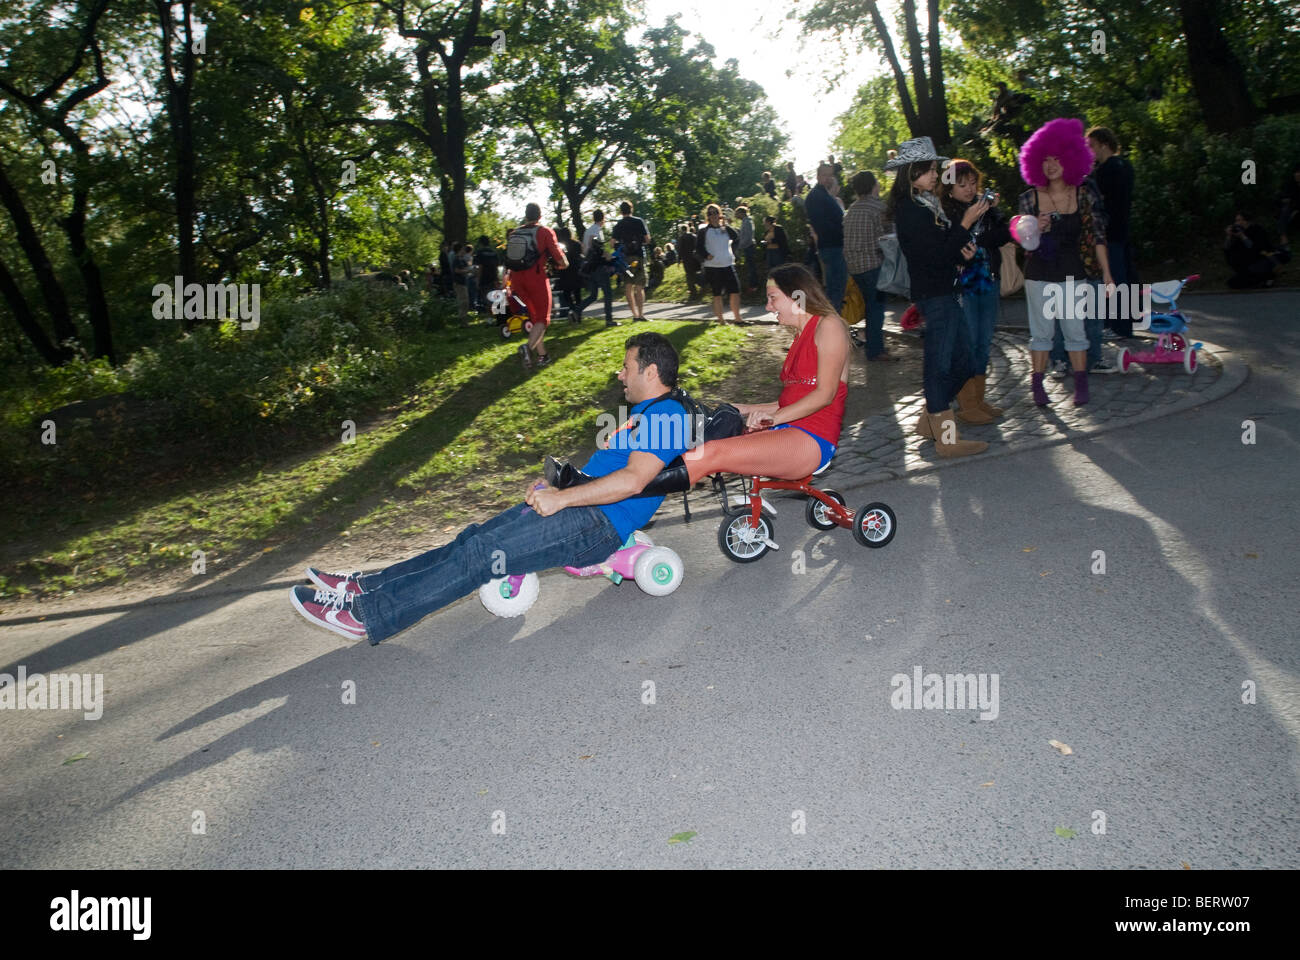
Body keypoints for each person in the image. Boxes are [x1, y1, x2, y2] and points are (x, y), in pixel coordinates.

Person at [290, 334, 692, 645]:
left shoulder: (668, 413)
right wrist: (560, 485)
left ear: (650, 372)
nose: (619, 374)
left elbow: (634, 481)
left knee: (483, 556)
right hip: (583, 508)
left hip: (597, 524)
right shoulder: (645, 413)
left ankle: (368, 615)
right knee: (474, 540)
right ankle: (367, 586)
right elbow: (612, 472)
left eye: (626, 367)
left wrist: (562, 498)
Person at [547, 265, 851, 497]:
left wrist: (773, 417)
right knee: (701, 431)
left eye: (773, 299)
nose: (769, 307)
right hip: (791, 428)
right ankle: (598, 480)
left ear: (797, 293)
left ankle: (608, 490)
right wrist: (739, 407)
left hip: (813, 440)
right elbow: (790, 401)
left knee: (711, 453)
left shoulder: (830, 326)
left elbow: (825, 395)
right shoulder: (800, 336)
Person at [887, 136, 990, 457]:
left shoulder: (925, 205)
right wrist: (965, 223)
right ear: (911, 173)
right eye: (929, 169)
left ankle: (931, 417)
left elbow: (944, 251)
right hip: (935, 296)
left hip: (947, 292)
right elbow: (934, 256)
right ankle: (946, 438)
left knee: (964, 363)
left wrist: (964, 250)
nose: (936, 174)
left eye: (935, 168)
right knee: (939, 366)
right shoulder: (910, 211)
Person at [1016, 118, 1114, 407]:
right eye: (1045, 159)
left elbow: (1098, 236)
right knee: (1042, 333)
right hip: (1038, 273)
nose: (1050, 164)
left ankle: (1081, 384)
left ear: (1071, 159)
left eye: (1057, 158)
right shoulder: (1028, 199)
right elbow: (1022, 242)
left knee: (1075, 330)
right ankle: (1037, 385)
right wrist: (1035, 227)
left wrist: (1107, 274)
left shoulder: (1083, 195)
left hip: (1073, 272)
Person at [939, 158, 1013, 422]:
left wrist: (992, 211)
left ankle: (978, 401)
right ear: (949, 188)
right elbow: (950, 247)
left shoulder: (983, 208)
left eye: (973, 183)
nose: (970, 189)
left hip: (988, 280)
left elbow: (1004, 235)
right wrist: (972, 229)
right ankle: (966, 404)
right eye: (962, 184)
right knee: (968, 345)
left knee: (983, 343)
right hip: (963, 287)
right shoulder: (945, 213)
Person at [1086, 127, 1136, 340]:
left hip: (1108, 233)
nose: (1090, 151)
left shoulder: (1106, 170)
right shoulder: (1125, 165)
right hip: (1123, 230)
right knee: (1124, 278)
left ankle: (1118, 328)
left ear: (1103, 144)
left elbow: (1100, 202)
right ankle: (1121, 325)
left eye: (1092, 146)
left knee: (1113, 280)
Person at [507, 203, 568, 368]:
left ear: (526, 216)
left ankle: (543, 355)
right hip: (536, 279)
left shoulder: (514, 234)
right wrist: (562, 264)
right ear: (540, 216)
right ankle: (528, 348)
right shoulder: (544, 232)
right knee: (542, 318)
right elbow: (560, 259)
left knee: (535, 319)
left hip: (517, 281)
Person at [843, 170, 895, 361]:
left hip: (854, 266)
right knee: (876, 308)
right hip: (873, 264)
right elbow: (889, 237)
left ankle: (871, 344)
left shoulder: (851, 210)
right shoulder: (879, 208)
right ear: (874, 185)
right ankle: (875, 350)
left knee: (869, 307)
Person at [806, 162, 848, 311]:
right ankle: (832, 325)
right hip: (833, 246)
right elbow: (826, 224)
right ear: (818, 176)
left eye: (831, 175)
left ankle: (833, 323)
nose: (829, 179)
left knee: (836, 289)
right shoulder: (817, 196)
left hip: (832, 245)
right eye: (825, 175)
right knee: (835, 289)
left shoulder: (823, 195)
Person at [697, 204, 743, 325]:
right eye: (710, 213)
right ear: (707, 216)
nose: (713, 216)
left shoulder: (726, 229)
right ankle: (721, 320)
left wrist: (733, 252)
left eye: (715, 212)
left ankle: (738, 319)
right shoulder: (704, 231)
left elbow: (737, 238)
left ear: (720, 214)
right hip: (713, 267)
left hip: (728, 264)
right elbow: (698, 248)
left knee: (735, 291)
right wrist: (707, 255)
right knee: (717, 294)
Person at [611, 201, 651, 322]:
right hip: (638, 256)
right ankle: (641, 314)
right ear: (631, 209)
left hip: (625, 258)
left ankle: (634, 315)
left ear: (621, 211)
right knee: (639, 286)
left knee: (628, 286)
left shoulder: (618, 225)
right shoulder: (639, 221)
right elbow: (647, 239)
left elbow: (612, 243)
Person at [1224, 211, 1287, 288]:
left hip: (1260, 260)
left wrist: (1242, 236)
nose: (1236, 223)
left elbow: (1256, 248)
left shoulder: (1257, 230)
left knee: (1252, 274)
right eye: (1236, 221)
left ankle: (1267, 278)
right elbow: (1227, 248)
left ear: (1247, 221)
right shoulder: (1237, 232)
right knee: (1232, 283)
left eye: (1239, 220)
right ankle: (1262, 281)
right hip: (1245, 265)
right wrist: (1229, 236)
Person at [554, 227, 584, 322]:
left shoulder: (559, 246)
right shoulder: (576, 244)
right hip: (576, 272)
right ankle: (579, 314)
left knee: (567, 295)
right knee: (577, 294)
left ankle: (573, 309)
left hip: (564, 273)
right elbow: (581, 254)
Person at [735, 205, 759, 292]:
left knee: (751, 267)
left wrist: (740, 246)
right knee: (750, 266)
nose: (736, 216)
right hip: (747, 246)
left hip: (749, 246)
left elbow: (748, 237)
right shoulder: (745, 221)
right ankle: (752, 285)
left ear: (742, 213)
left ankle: (754, 286)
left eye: (737, 214)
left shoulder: (748, 222)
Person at [677, 223, 702, 300]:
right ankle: (702, 286)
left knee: (689, 275)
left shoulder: (681, 238)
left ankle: (693, 293)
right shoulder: (694, 236)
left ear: (681, 230)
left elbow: (680, 249)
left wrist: (679, 260)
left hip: (687, 259)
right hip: (695, 258)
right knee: (697, 272)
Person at [473, 236, 499, 311]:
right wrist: (497, 278)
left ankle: (489, 315)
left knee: (486, 298)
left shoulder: (479, 253)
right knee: (493, 297)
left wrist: (478, 280)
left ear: (481, 243)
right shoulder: (494, 253)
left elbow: (480, 267)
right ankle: (495, 314)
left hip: (484, 278)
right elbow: (496, 266)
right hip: (493, 277)